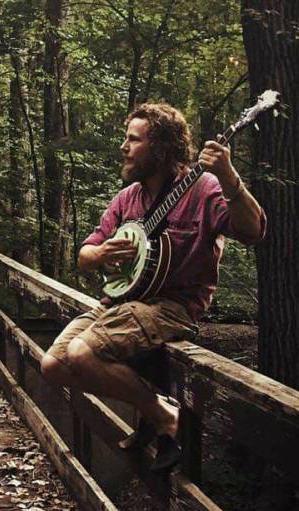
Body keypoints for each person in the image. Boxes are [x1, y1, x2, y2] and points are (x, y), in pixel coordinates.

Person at [40, 102, 266, 470]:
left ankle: (165, 417)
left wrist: (229, 177)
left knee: (82, 354)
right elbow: (85, 252)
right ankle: (158, 408)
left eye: (133, 139)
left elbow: (253, 230)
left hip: (172, 307)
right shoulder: (127, 199)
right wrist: (98, 254)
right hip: (119, 304)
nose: (123, 147)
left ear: (160, 147)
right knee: (53, 364)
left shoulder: (202, 189)